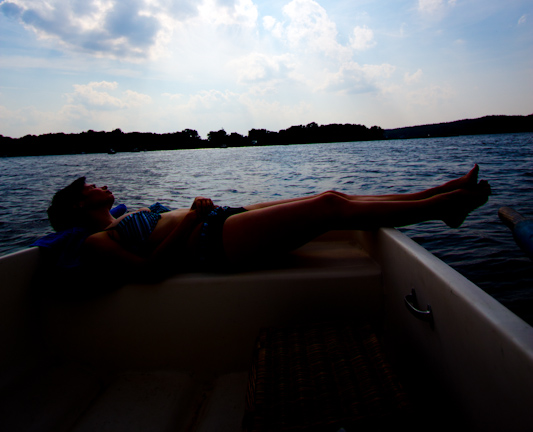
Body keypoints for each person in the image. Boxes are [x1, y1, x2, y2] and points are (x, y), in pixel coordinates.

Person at [44, 165, 491, 280]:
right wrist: (189, 220)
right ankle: (444, 208)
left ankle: (436, 193)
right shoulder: (94, 243)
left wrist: (198, 215)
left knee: (331, 196)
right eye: (90, 188)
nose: (100, 186)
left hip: (220, 221)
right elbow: (150, 274)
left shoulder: (120, 219)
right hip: (211, 243)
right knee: (331, 205)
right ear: (78, 206)